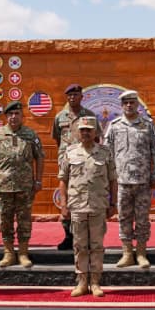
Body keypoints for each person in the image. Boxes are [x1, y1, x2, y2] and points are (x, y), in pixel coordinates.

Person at [103, 90, 155, 269]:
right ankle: (127, 253)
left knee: (142, 218)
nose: (129, 105)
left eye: (132, 102)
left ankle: (141, 253)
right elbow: (107, 154)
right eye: (126, 103)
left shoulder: (147, 125)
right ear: (121, 105)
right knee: (124, 218)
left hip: (143, 181)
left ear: (137, 104)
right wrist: (108, 178)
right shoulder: (114, 126)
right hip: (121, 181)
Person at [60, 116, 116, 297]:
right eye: (82, 130)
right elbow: (63, 180)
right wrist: (64, 204)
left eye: (89, 130)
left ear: (95, 132)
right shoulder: (70, 152)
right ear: (78, 132)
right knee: (79, 245)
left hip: (98, 206)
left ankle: (96, 282)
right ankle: (82, 281)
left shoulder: (105, 153)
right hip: (77, 206)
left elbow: (113, 180)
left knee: (97, 245)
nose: (85, 133)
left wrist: (113, 203)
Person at [0, 101, 44, 269]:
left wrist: (38, 180)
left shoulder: (30, 134)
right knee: (4, 220)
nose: (13, 117)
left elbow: (40, 157)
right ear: (6, 116)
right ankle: (8, 253)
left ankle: (22, 253)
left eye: (17, 114)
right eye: (10, 114)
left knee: (24, 220)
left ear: (22, 116)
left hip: (25, 187)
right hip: (3, 186)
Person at [50, 84, 93, 250]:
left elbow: (95, 138)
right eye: (70, 95)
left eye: (75, 95)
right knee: (66, 198)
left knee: (85, 196)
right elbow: (57, 139)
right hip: (66, 162)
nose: (72, 98)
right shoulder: (60, 117)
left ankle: (85, 235)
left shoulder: (89, 116)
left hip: (85, 162)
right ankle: (68, 235)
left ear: (82, 97)